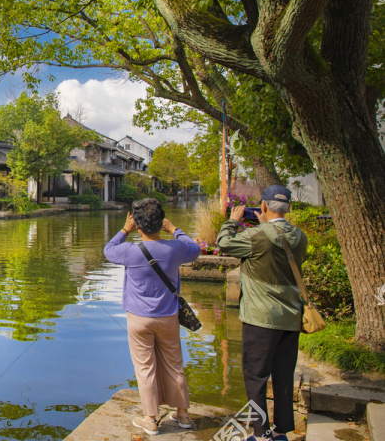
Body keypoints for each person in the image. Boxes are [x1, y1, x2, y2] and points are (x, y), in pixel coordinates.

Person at [217, 185, 308, 441]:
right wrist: (266, 225)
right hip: (290, 317)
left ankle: (261, 435)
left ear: (264, 206)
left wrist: (232, 222)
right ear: (287, 208)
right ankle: (281, 432)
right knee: (283, 376)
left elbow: (224, 244)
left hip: (260, 318)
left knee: (256, 377)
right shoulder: (301, 237)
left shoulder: (256, 236)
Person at [104, 198, 201, 436]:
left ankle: (150, 418)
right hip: (168, 316)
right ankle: (183, 415)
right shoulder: (175, 248)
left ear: (137, 225)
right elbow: (195, 248)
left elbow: (108, 250)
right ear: (161, 222)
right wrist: (174, 229)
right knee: (174, 364)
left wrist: (124, 230)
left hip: (138, 319)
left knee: (145, 367)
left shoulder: (129, 251)